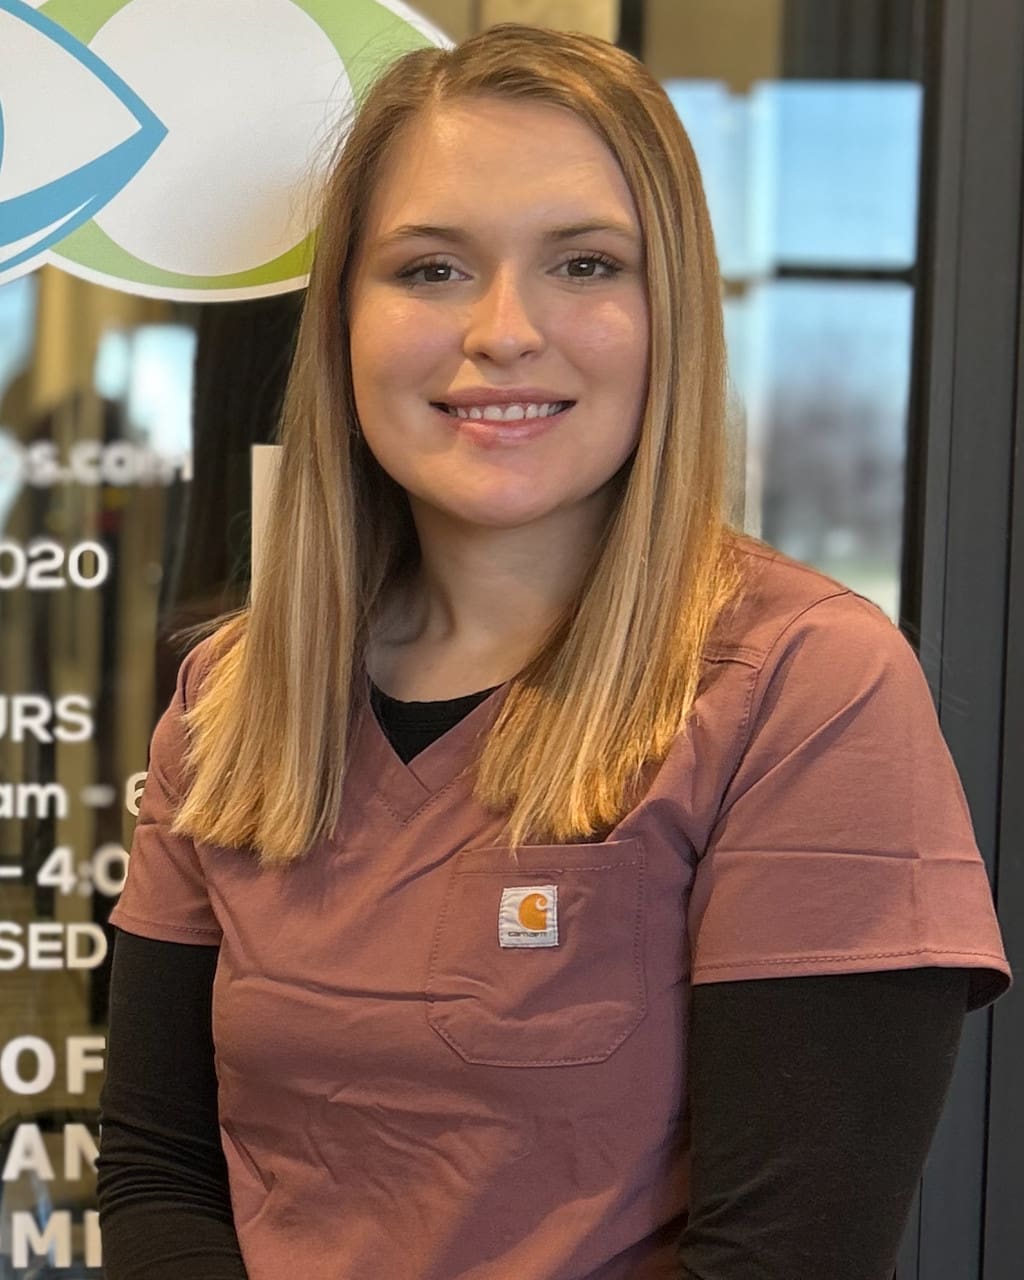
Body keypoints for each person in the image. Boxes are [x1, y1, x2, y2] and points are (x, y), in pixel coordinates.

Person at [96, 23, 1011, 1280]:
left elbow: (776, 1261)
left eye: (584, 262)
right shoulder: (234, 697)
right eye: (429, 269)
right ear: (342, 323)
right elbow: (157, 1178)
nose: (505, 331)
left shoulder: (805, 687)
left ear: (669, 312)